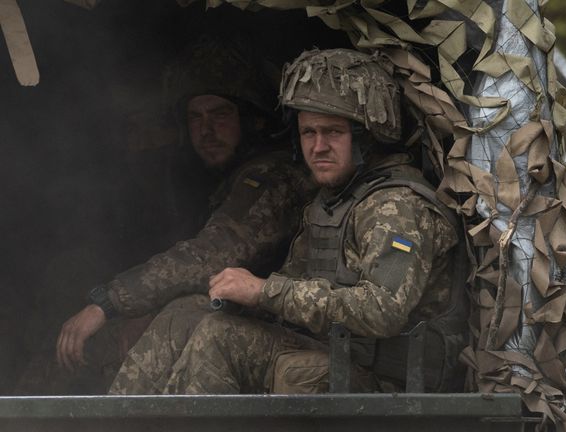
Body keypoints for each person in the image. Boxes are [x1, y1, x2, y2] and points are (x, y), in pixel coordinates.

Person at [110, 48, 468, 395]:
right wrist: (245, 300)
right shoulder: (330, 202)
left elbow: (382, 310)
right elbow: (296, 291)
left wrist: (263, 291)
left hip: (389, 384)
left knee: (220, 338)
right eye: (309, 133)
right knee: (184, 314)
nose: (318, 147)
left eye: (333, 132)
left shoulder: (396, 205)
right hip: (337, 357)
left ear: (365, 137)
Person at [48, 35, 315, 393]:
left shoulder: (272, 177)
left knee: (172, 319)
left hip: (281, 336)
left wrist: (109, 302)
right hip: (245, 328)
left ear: (254, 121)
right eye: (195, 118)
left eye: (220, 115)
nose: (206, 131)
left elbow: (213, 254)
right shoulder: (224, 179)